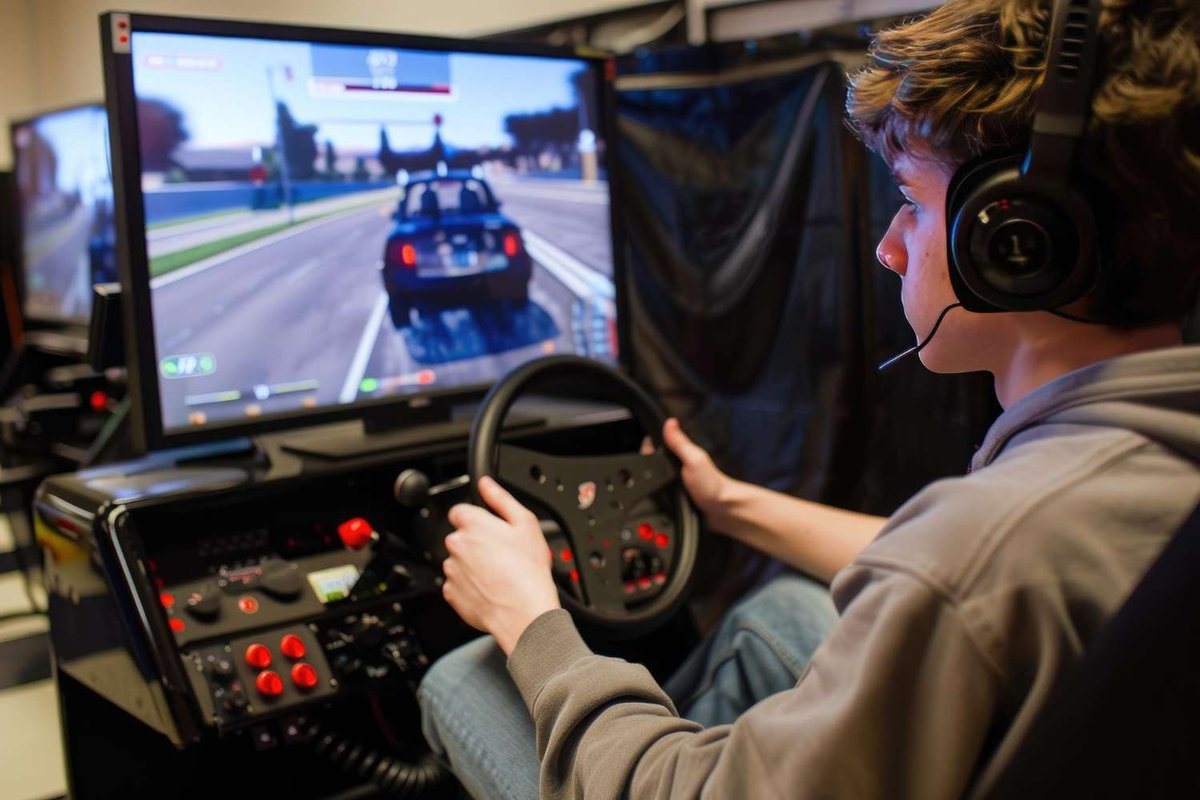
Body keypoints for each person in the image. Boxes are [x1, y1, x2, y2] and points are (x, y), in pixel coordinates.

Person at [417, 0, 1200, 796]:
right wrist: (728, 504)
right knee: (783, 609)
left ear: (1014, 241)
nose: (887, 248)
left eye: (912, 202)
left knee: (463, 676)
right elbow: (944, 571)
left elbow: (952, 575)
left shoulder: (975, 555)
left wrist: (527, 615)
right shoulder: (1142, 466)